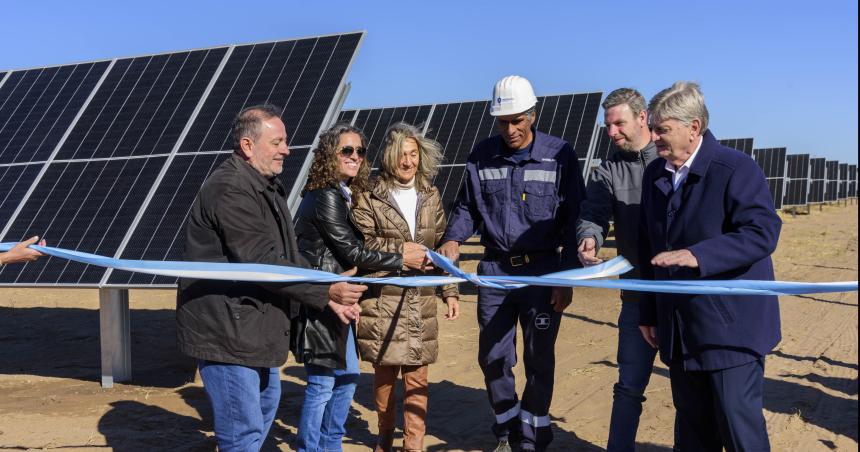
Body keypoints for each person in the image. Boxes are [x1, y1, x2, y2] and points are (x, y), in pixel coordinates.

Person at [176, 105, 368, 452]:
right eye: (277, 142)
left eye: (286, 141)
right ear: (248, 146)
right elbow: (262, 260)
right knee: (243, 434)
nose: (286, 149)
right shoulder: (230, 189)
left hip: (256, 331)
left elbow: (287, 256)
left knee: (260, 419)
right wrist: (326, 292)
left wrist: (327, 295)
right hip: (229, 334)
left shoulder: (267, 187)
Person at [439, 75, 585, 452]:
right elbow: (468, 207)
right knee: (493, 355)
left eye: (517, 120)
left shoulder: (560, 154)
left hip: (541, 271)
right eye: (502, 122)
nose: (510, 129)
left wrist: (564, 278)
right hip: (495, 272)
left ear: (532, 115)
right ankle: (506, 428)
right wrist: (453, 238)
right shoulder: (481, 154)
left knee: (539, 357)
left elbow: (573, 220)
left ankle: (533, 434)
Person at [638, 82, 781, 451]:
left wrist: (699, 255)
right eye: (653, 128)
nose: (653, 137)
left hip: (729, 332)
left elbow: (762, 232)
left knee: (738, 429)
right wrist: (649, 311)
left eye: (661, 129)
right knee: (692, 431)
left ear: (694, 127)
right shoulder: (655, 175)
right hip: (680, 329)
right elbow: (647, 249)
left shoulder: (735, 168)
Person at [292, 122, 428, 451]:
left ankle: (330, 444)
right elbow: (351, 251)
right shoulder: (325, 195)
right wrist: (401, 259)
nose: (355, 156)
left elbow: (352, 251)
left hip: (340, 298)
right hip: (322, 300)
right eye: (346, 150)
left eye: (360, 151)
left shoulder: (342, 193)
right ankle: (311, 448)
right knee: (323, 384)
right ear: (329, 154)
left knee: (348, 378)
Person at [352, 122, 461, 452]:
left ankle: (414, 444)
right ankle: (384, 437)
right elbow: (363, 245)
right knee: (384, 378)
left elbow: (442, 245)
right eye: (402, 154)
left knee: (417, 377)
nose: (408, 161)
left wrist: (450, 291)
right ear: (389, 156)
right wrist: (402, 255)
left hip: (420, 299)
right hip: (383, 299)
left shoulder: (430, 195)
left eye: (414, 154)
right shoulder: (369, 196)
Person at [575, 88, 661, 451]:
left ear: (643, 118)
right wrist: (589, 238)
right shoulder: (608, 170)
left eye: (618, 123)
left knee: (692, 388)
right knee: (628, 387)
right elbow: (593, 214)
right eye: (607, 125)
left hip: (682, 297)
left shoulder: (675, 159)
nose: (611, 133)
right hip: (637, 296)